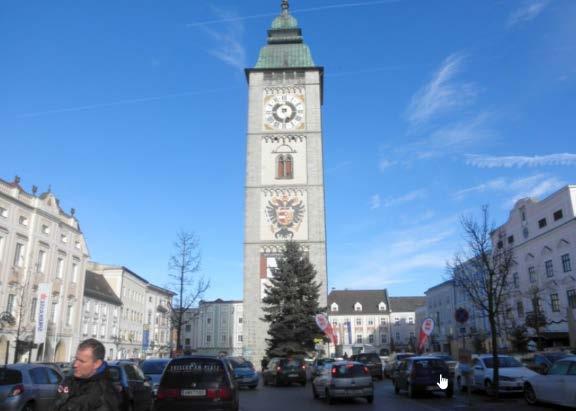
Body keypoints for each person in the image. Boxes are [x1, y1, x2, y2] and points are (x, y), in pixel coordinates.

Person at [52, 338, 120, 411]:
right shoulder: (70, 381)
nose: (75, 364)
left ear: (97, 364)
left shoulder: (104, 394)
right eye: (76, 359)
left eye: (81, 361)